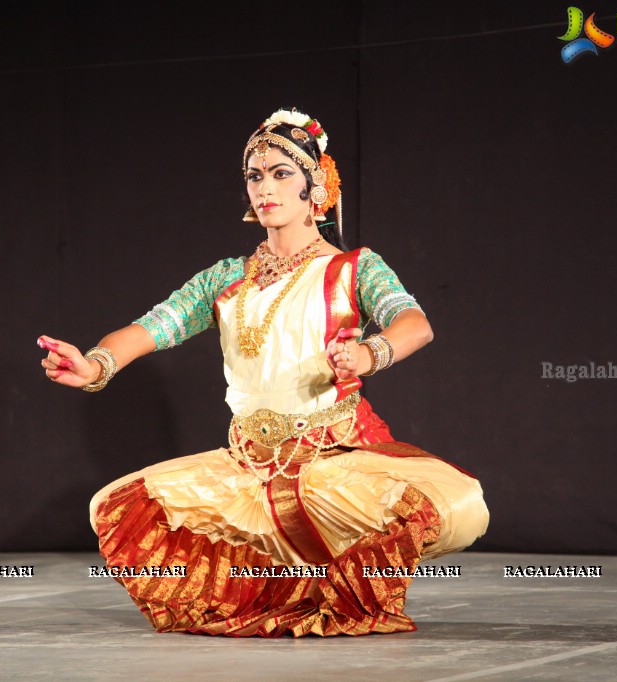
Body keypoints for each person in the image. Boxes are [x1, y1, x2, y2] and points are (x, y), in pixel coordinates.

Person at [38, 108, 489, 637]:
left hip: (331, 468)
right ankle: (282, 594)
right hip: (244, 473)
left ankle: (333, 583)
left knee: (461, 506)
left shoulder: (353, 268)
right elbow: (151, 327)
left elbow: (415, 324)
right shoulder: (224, 279)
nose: (264, 187)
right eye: (255, 176)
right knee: (114, 507)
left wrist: (370, 354)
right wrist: (95, 364)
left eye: (281, 173)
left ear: (314, 185)